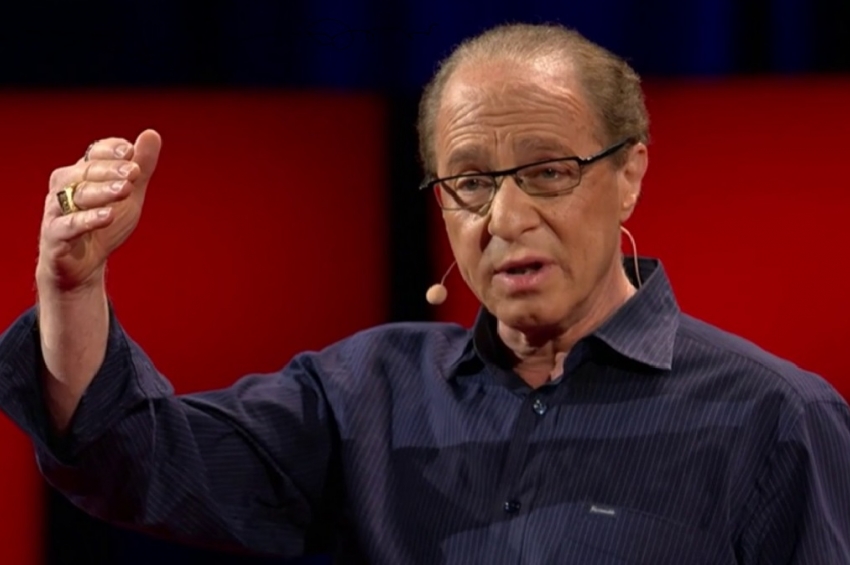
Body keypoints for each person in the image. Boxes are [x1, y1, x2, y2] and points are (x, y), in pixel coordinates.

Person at [1, 22, 849, 565]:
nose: (505, 218)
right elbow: (136, 460)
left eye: (548, 172)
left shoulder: (777, 418)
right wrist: (72, 284)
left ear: (629, 174)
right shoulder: (365, 394)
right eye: (470, 183)